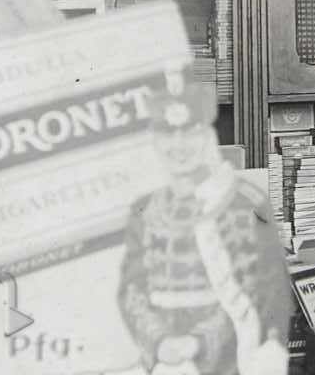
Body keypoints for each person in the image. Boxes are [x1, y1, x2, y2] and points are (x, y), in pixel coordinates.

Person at [117, 84, 290, 375]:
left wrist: (199, 341)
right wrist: (159, 342)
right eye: (168, 134)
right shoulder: (142, 209)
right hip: (159, 359)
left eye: (190, 132)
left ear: (206, 138)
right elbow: (131, 289)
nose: (179, 145)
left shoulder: (245, 203)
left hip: (229, 355)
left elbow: (263, 291)